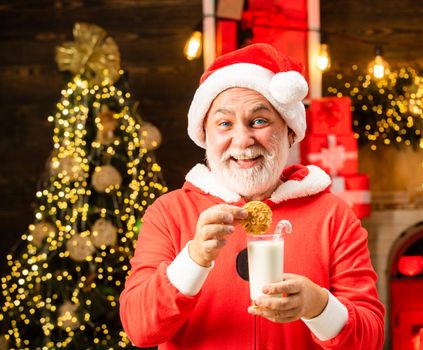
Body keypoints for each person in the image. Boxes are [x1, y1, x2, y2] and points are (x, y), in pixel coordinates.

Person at [119, 43, 385, 349]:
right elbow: (140, 328)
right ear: (205, 135)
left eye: (259, 121)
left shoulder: (333, 216)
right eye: (224, 124)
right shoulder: (169, 214)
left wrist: (318, 305)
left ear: (289, 131)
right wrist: (194, 259)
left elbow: (371, 338)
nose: (243, 140)